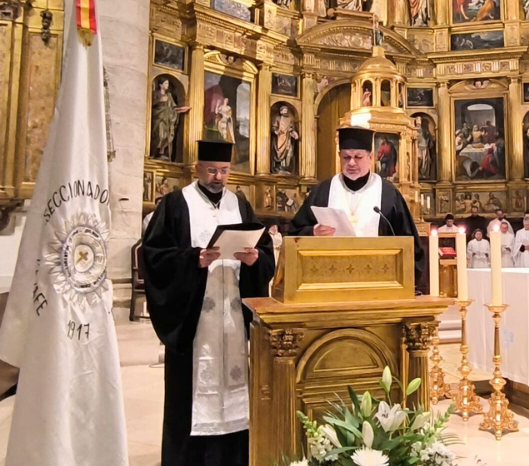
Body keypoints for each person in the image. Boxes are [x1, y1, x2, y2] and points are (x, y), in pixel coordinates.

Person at [142, 140, 276, 466]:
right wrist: (193, 261)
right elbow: (155, 257)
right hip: (194, 319)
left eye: (225, 170)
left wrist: (255, 259)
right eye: (212, 169)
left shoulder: (239, 204)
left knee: (235, 389)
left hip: (231, 316)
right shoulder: (176, 204)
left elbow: (266, 250)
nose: (219, 176)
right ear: (198, 168)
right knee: (189, 394)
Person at [289, 126, 425, 282]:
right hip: (329, 280)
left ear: (371, 157)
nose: (352, 163)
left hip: (378, 280)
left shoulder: (388, 194)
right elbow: (294, 232)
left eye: (358, 157)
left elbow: (409, 244)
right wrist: (313, 232)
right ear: (339, 156)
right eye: (346, 157)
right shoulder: (324, 190)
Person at [151, 77, 190, 160]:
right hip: (159, 118)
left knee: (167, 136)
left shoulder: (169, 95)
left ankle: (162, 153)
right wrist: (159, 100)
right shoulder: (155, 93)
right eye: (165, 83)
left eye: (168, 83)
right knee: (160, 135)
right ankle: (154, 153)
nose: (167, 85)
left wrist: (180, 109)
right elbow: (151, 105)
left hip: (167, 118)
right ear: (160, 85)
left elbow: (172, 107)